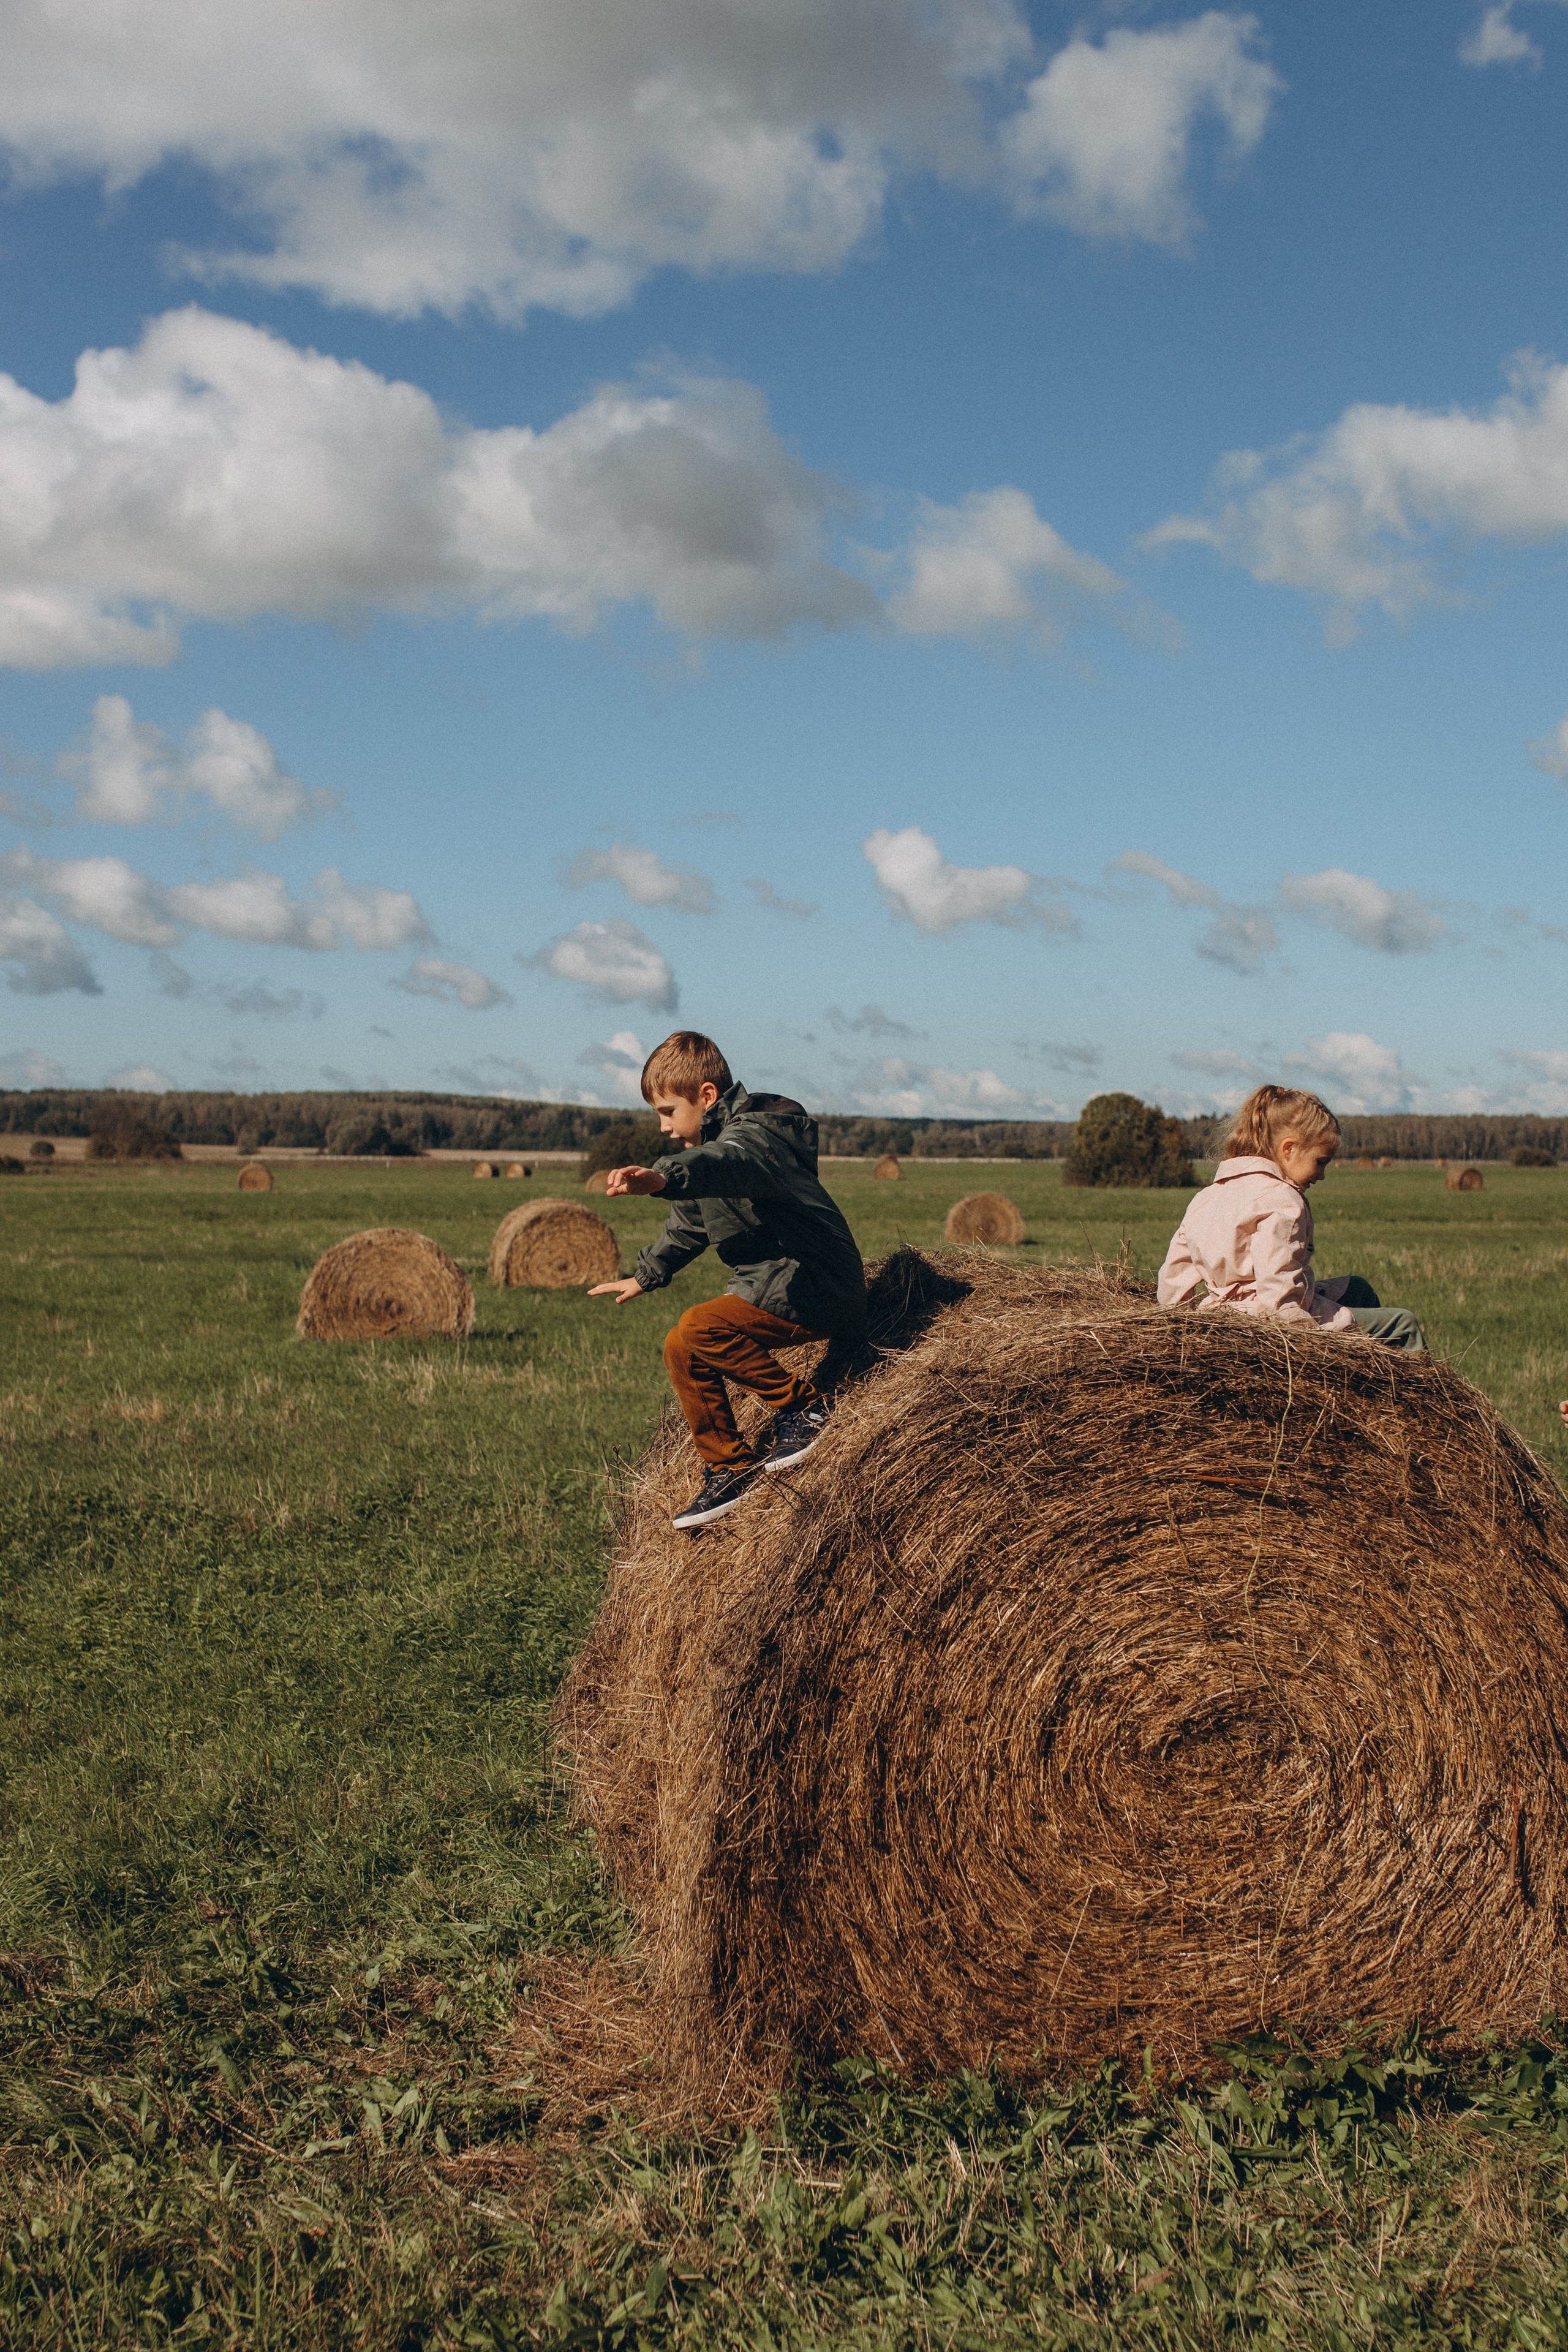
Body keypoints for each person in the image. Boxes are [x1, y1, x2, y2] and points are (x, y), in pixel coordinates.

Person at [590, 1031, 867, 1529]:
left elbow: (729, 1162)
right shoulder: (708, 1151)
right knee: (680, 1345)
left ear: (707, 1097)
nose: (664, 1128)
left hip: (819, 1283)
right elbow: (689, 1225)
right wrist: (645, 1276)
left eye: (669, 1112)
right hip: (778, 1287)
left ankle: (806, 1409)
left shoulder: (755, 1139)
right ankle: (728, 1464)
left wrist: (664, 1176)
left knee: (700, 1325)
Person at [1157, 1084, 1425, 1351]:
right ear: (1289, 1149)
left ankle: (1369, 1366)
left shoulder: (1205, 1197)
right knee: (1404, 1323)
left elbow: (1173, 1279)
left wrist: (1180, 1331)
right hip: (1266, 1324)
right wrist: (1304, 1345)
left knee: (1357, 1288)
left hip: (1220, 1317)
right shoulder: (1283, 1201)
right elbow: (1278, 1294)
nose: (1322, 1175)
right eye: (1320, 1162)